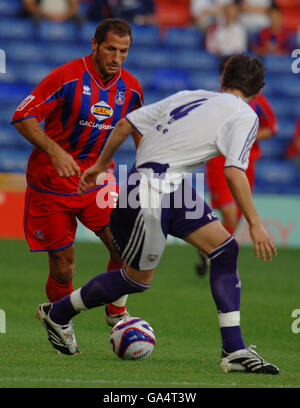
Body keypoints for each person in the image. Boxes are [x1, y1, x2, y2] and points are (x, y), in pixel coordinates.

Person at [35, 54, 279, 374]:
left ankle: (234, 350)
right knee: (136, 280)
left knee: (224, 249)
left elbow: (126, 123)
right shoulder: (246, 115)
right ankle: (59, 313)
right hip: (149, 191)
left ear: (223, 79)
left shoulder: (189, 95)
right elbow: (234, 172)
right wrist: (256, 223)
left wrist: (99, 165)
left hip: (166, 185)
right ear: (257, 92)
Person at [11, 18, 144, 340]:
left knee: (125, 247)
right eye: (110, 49)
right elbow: (22, 115)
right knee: (63, 264)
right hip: (51, 183)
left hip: (97, 181)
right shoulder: (67, 76)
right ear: (95, 45)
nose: (116, 57)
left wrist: (148, 168)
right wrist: (55, 151)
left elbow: (140, 129)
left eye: (123, 51)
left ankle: (116, 312)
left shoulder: (131, 87)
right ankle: (59, 321)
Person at [195, 57, 278, 276]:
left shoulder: (258, 103)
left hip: (247, 160)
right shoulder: (217, 100)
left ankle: (210, 250)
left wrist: (247, 137)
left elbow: (272, 128)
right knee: (230, 214)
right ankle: (220, 255)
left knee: (237, 214)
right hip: (219, 160)